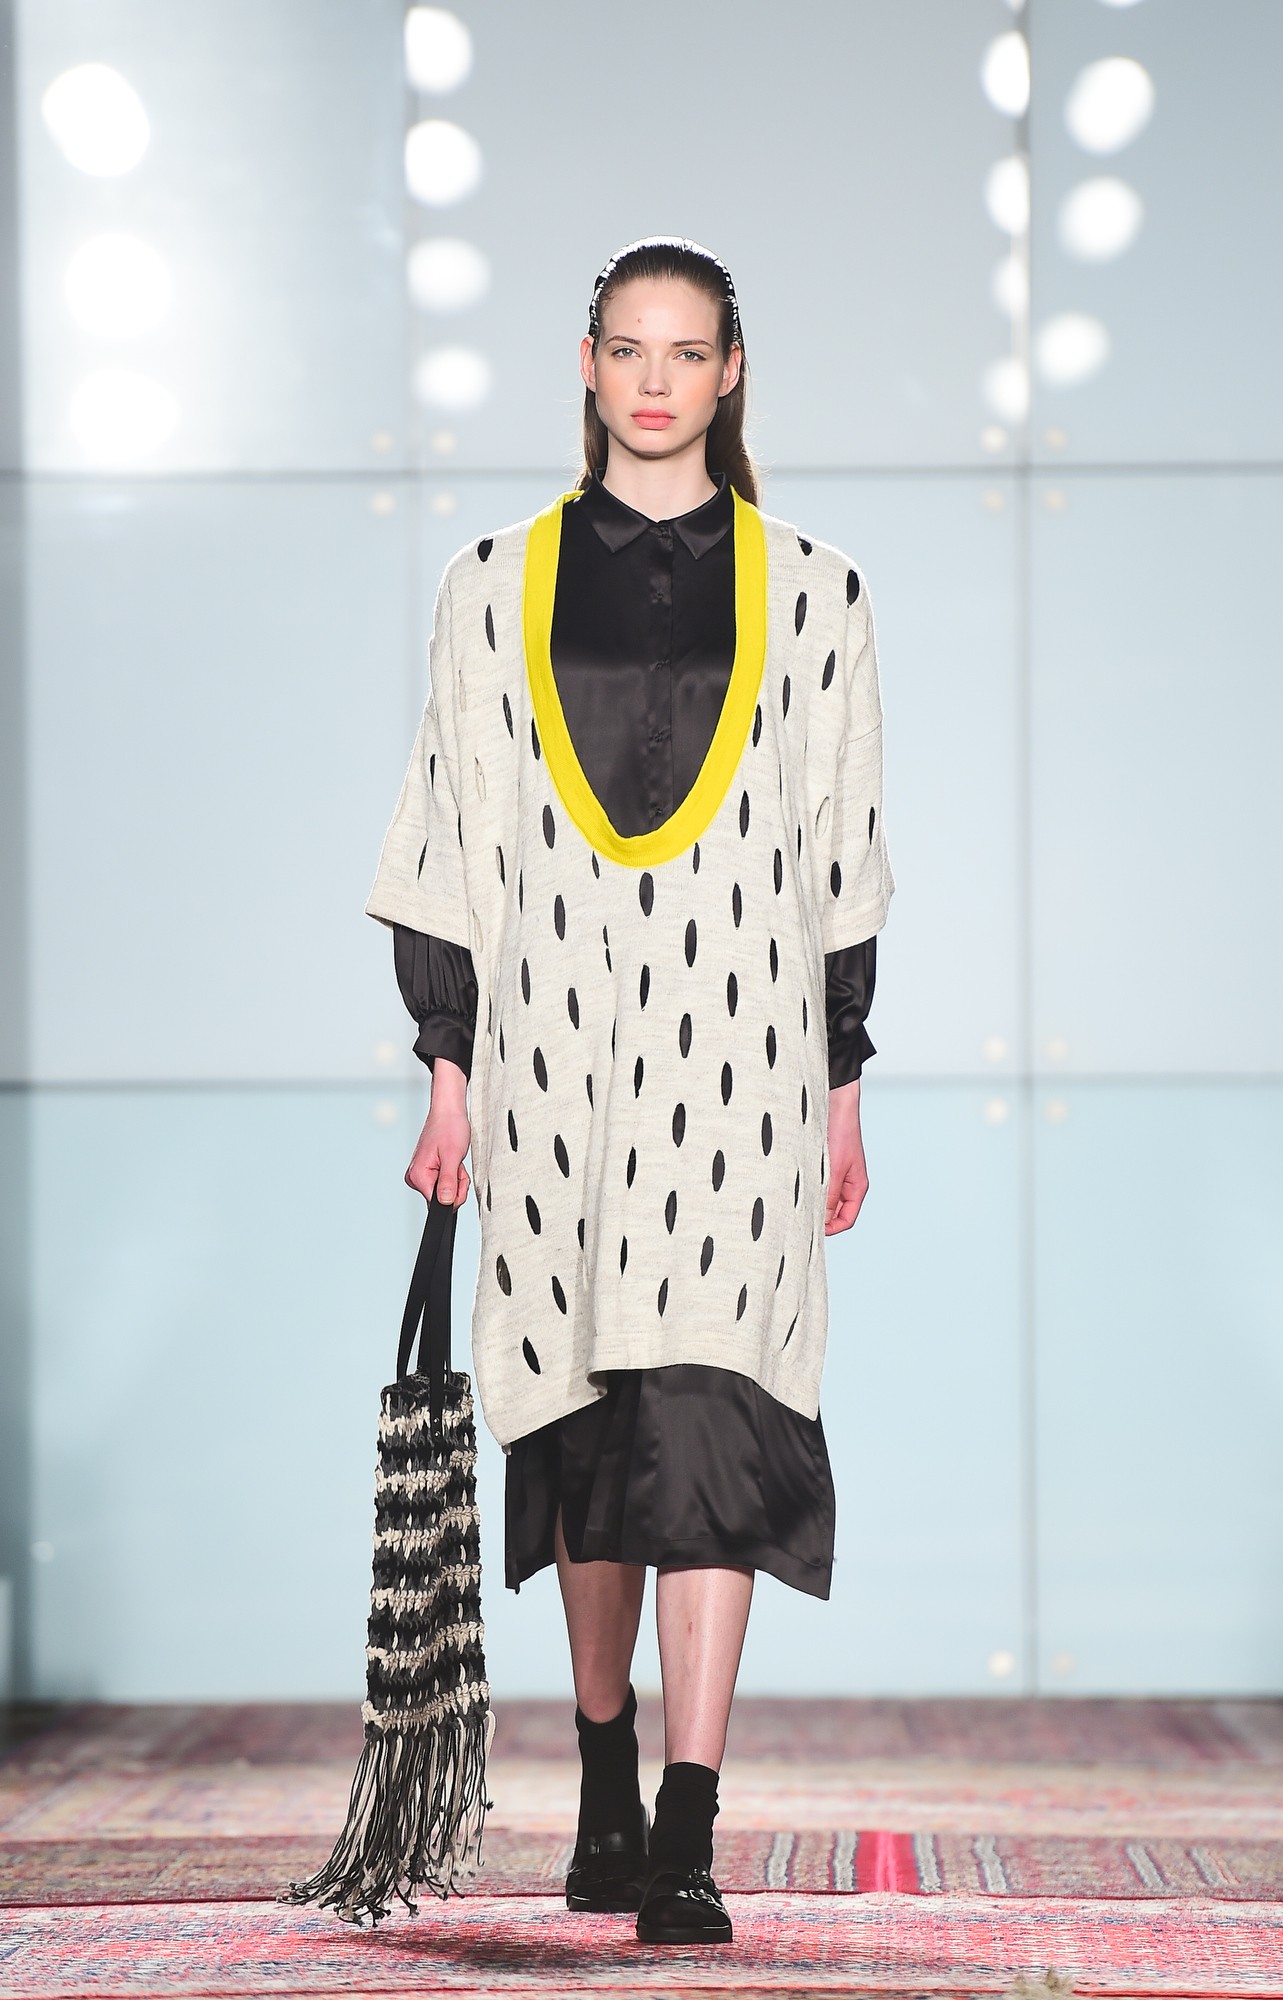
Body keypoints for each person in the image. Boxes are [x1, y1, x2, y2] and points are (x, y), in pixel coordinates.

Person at [365, 235, 895, 1945]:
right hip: (554, 1069)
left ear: (729, 373)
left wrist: (841, 1085)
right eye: (627, 348)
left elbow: (838, 854)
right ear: (586, 365)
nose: (655, 380)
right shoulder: (489, 585)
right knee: (589, 1430)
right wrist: (446, 1071)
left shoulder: (813, 592)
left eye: (686, 351)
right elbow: (447, 834)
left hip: (744, 1075)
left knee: (714, 1427)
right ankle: (602, 1786)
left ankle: (685, 1830)